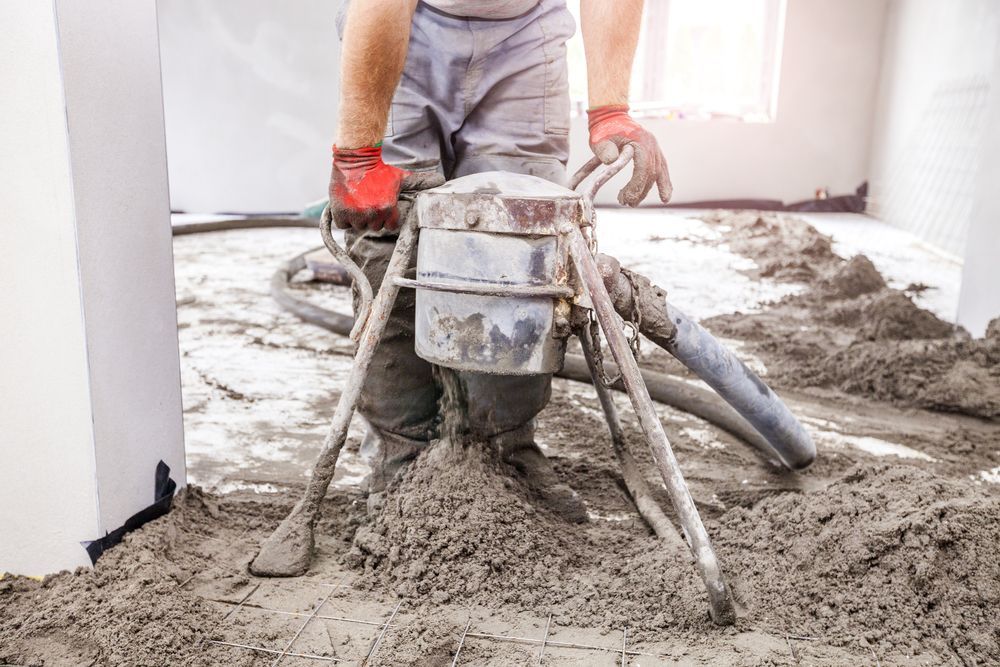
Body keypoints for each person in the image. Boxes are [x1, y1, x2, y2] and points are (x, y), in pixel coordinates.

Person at [329, 0, 671, 520]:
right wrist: (357, 155)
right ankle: (403, 454)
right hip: (405, 23)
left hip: (525, 29)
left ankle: (503, 446)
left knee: (519, 238)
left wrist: (610, 109)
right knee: (387, 230)